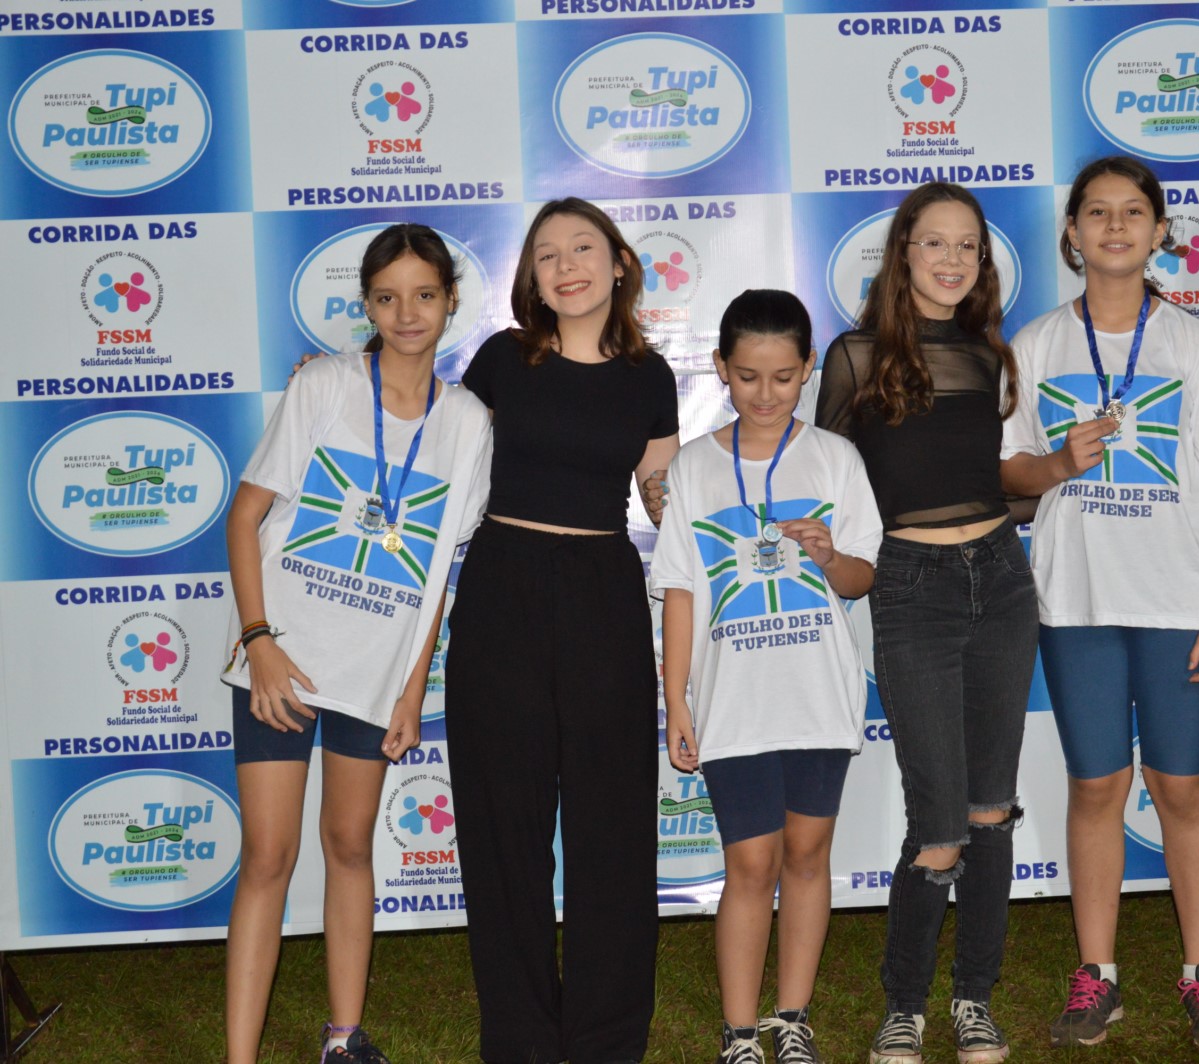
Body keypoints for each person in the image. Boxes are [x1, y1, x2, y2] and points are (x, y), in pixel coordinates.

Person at [222, 223, 492, 1064]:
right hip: (281, 661)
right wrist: (259, 642)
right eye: (386, 297)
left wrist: (411, 689)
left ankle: (343, 1039)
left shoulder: (469, 423)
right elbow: (244, 517)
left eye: (424, 295)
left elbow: (438, 574)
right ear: (367, 306)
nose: (406, 314)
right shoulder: (325, 385)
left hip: (373, 676)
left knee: (349, 845)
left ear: (450, 301)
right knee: (268, 856)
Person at [999, 156, 1199, 1052]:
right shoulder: (1034, 345)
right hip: (1078, 599)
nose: (1114, 226)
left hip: (1179, 597)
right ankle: (1096, 974)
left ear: (1159, 231)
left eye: (1133, 211)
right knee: (1097, 783)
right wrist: (1058, 462)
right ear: (1071, 233)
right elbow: (1009, 471)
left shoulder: (1195, 345)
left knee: (1182, 783)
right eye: (1097, 212)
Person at [446, 198, 680, 1064]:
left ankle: (606, 1037)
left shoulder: (651, 377)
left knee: (611, 822)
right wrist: (343, 382)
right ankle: (518, 1036)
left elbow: (660, 495)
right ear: (532, 278)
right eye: (548, 254)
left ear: (619, 263)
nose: (567, 265)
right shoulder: (501, 360)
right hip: (502, 586)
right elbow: (427, 442)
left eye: (583, 247)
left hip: (602, 590)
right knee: (502, 821)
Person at [816, 182, 1038, 1064]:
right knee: (939, 820)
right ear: (902, 251)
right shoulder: (854, 356)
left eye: (968, 246)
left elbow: (993, 483)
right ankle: (903, 1006)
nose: (952, 259)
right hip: (910, 588)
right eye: (935, 242)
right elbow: (826, 477)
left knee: (990, 810)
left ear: (983, 261)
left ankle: (973, 999)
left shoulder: (989, 355)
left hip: (1003, 581)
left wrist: (1059, 475)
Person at [655, 289, 883, 1064]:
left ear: (808, 368)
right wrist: (676, 701)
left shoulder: (835, 458)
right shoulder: (694, 467)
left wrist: (828, 554)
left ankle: (791, 1018)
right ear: (721, 368)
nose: (765, 393)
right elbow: (680, 591)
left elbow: (860, 578)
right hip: (734, 702)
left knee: (808, 856)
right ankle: (740, 1030)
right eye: (748, 376)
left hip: (817, 696)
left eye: (783, 377)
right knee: (750, 863)